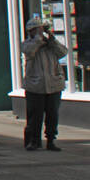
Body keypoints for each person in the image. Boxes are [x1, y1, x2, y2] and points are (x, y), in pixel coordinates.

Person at [22, 15, 68, 151]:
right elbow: (29, 52)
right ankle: (34, 141)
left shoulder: (50, 45)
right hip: (35, 86)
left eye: (41, 30)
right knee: (35, 116)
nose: (40, 32)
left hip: (53, 85)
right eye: (37, 30)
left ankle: (51, 140)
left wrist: (52, 38)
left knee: (52, 115)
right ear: (31, 31)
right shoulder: (27, 44)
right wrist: (38, 39)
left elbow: (63, 52)